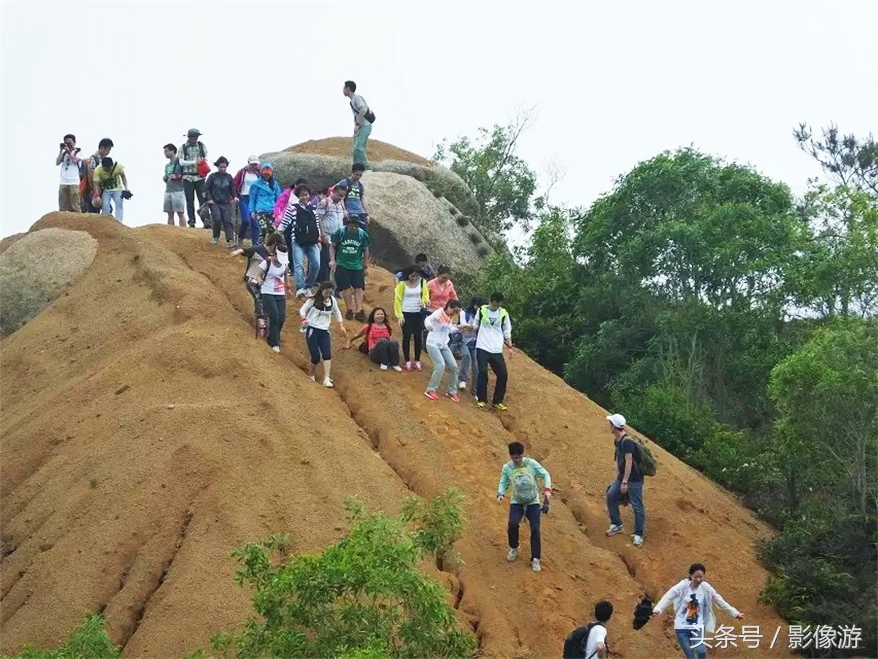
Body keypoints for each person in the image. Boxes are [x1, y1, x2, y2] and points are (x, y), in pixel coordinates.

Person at [653, 563, 744, 659]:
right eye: (696, 577)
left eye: (701, 577)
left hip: (697, 626)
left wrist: (735, 613)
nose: (698, 580)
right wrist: (658, 609)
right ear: (691, 575)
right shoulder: (682, 587)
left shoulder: (706, 588)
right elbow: (668, 597)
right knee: (690, 656)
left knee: (701, 652)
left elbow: (719, 600)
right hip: (681, 627)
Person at [497, 441, 552, 573]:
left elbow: (545, 474)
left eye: (519, 457)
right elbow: (504, 481)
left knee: (535, 528)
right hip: (517, 501)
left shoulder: (531, 464)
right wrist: (501, 493)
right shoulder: (508, 467)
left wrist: (547, 489)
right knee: (512, 524)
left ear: (523, 454)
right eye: (514, 457)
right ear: (510, 456)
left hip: (533, 501)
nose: (517, 460)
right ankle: (514, 547)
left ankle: (535, 558)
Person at [230, 233, 286, 336]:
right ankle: (260, 319)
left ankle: (265, 321)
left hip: (264, 283)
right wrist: (235, 252)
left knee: (264, 299)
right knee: (257, 294)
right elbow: (245, 250)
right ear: (273, 243)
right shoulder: (258, 249)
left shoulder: (275, 257)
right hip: (252, 277)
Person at [604, 413, 646, 548]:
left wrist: (624, 483)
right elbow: (618, 459)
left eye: (610, 423)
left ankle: (638, 534)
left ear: (614, 426)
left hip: (633, 480)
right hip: (622, 477)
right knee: (611, 495)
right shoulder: (617, 440)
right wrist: (619, 478)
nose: (608, 425)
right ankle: (616, 524)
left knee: (637, 506)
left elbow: (628, 463)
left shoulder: (627, 442)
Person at [300, 281, 348, 387]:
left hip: (324, 330)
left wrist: (341, 325)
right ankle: (311, 374)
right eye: (326, 292)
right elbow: (303, 309)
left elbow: (337, 312)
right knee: (315, 355)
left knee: (327, 354)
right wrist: (304, 319)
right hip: (312, 329)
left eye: (330, 293)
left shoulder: (332, 300)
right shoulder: (313, 300)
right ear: (322, 290)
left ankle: (326, 378)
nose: (328, 295)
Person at [278, 184, 321, 298]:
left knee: (316, 264)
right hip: (297, 241)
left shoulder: (313, 209)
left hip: (312, 241)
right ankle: (300, 289)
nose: (304, 197)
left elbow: (316, 225)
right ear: (298, 196)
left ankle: (308, 287)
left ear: (309, 195)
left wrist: (319, 237)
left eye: (306, 194)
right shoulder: (293, 208)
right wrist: (276, 234)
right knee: (298, 265)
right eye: (301, 195)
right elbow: (284, 223)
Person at [472, 292, 513, 411]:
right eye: (494, 305)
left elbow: (507, 331)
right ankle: (481, 399)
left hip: (496, 348)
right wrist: (468, 328)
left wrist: (510, 346)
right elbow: (475, 325)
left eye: (498, 305)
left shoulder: (503, 314)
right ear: (490, 301)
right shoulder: (481, 310)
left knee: (503, 374)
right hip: (482, 345)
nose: (495, 307)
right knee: (483, 372)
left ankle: (497, 401)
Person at [330, 215, 370, 322]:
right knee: (346, 287)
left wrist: (365, 266)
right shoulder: (341, 232)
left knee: (359, 287)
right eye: (351, 225)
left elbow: (366, 250)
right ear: (348, 224)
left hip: (357, 265)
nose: (353, 227)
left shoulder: (362, 234)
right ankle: (349, 309)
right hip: (343, 264)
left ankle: (359, 310)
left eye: (355, 225)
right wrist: (332, 260)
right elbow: (333, 246)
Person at [423, 300, 462, 402]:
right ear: (449, 306)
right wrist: (428, 326)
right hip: (432, 343)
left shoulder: (449, 318)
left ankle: (452, 391)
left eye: (457, 312)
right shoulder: (439, 313)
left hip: (443, 344)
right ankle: (431, 389)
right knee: (440, 365)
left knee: (454, 366)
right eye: (454, 310)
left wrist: (460, 328)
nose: (455, 313)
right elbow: (428, 319)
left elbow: (450, 330)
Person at [393, 267, 429, 371]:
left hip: (418, 313)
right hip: (406, 313)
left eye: (417, 275)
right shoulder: (402, 284)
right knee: (407, 336)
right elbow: (397, 301)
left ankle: (417, 360)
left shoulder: (422, 282)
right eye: (412, 276)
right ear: (408, 275)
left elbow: (426, 295)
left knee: (418, 337)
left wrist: (424, 301)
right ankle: (407, 360)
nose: (414, 278)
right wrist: (399, 316)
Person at [258, 243, 291, 352]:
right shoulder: (266, 262)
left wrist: (288, 287)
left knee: (281, 317)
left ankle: (273, 335)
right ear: (275, 254)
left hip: (280, 293)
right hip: (267, 292)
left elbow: (285, 275)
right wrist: (259, 280)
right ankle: (274, 342)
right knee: (275, 316)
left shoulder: (285, 264)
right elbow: (258, 274)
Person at [346, 307, 402, 371]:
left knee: (394, 341)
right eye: (377, 314)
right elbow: (358, 335)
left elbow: (389, 340)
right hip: (374, 353)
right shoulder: (369, 326)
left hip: (386, 352)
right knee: (382, 341)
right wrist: (350, 341)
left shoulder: (387, 327)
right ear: (373, 316)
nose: (380, 316)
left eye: (381, 314)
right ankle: (384, 363)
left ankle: (395, 364)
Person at [315, 186, 348, 283]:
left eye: (342, 196)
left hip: (338, 237)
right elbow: (319, 219)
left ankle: (333, 282)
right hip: (327, 235)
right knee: (326, 259)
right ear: (333, 192)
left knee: (336, 260)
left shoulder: (341, 205)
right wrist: (322, 234)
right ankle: (323, 281)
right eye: (338, 195)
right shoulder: (324, 203)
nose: (340, 198)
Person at [204, 156, 238, 247]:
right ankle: (215, 237)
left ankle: (230, 240)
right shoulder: (212, 176)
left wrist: (234, 197)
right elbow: (206, 188)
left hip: (226, 202)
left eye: (224, 167)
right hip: (214, 202)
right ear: (217, 166)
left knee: (228, 220)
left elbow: (232, 188)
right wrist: (209, 199)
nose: (222, 169)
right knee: (217, 218)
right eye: (221, 167)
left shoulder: (229, 177)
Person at [180, 128, 209, 228]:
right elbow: (181, 162)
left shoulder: (201, 145)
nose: (195, 138)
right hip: (188, 176)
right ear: (189, 137)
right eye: (194, 136)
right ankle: (191, 220)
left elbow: (206, 157)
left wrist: (202, 162)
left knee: (202, 199)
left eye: (197, 136)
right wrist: (194, 162)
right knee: (190, 200)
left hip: (200, 177)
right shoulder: (183, 147)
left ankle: (205, 220)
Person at [248, 162, 282, 245]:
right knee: (263, 229)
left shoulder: (275, 184)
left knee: (272, 230)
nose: (266, 175)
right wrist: (252, 211)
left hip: (271, 210)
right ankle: (258, 248)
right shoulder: (255, 184)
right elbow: (252, 198)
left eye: (268, 174)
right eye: (265, 174)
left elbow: (279, 199)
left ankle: (272, 249)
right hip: (260, 210)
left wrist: (279, 211)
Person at [343, 80, 372, 168]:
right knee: (355, 150)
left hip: (365, 125)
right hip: (360, 127)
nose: (342, 90)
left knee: (358, 148)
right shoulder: (352, 101)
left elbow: (363, 109)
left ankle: (366, 169)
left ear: (348, 89)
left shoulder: (357, 98)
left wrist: (358, 123)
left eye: (344, 88)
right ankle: (357, 169)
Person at [457, 296, 483, 394]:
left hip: (475, 342)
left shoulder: (482, 316)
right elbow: (463, 325)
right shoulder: (464, 313)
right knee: (466, 356)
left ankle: (475, 389)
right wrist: (473, 327)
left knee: (476, 365)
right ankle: (462, 380)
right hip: (464, 339)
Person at [233, 156, 261, 244]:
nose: (254, 166)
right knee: (246, 220)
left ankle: (255, 244)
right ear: (248, 163)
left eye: (255, 164)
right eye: (253, 164)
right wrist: (234, 195)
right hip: (243, 198)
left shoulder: (258, 173)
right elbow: (234, 183)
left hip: (254, 200)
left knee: (255, 222)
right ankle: (240, 237)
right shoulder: (242, 172)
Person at [92, 157, 129, 222]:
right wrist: (97, 195)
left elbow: (123, 177)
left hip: (117, 189)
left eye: (108, 169)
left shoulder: (118, 167)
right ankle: (106, 222)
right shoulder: (98, 170)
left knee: (119, 203)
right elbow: (96, 183)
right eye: (105, 169)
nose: (106, 171)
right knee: (105, 205)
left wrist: (126, 189)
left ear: (111, 166)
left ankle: (119, 222)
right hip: (106, 190)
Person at [83, 138, 113, 213]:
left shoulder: (104, 160)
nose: (109, 152)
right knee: (94, 210)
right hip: (94, 189)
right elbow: (91, 174)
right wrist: (95, 189)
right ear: (102, 148)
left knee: (107, 209)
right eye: (108, 149)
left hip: (102, 189)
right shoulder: (94, 158)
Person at [336, 164, 371, 230]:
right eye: (356, 174)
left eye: (360, 175)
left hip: (360, 212)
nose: (358, 177)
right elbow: (340, 198)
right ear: (352, 172)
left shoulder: (360, 185)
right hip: (349, 211)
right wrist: (344, 210)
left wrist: (367, 213)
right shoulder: (345, 182)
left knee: (363, 231)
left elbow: (362, 199)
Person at [162, 144, 187, 226]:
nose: (165, 153)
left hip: (178, 190)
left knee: (180, 213)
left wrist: (177, 176)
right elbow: (167, 178)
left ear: (172, 151)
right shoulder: (167, 165)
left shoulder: (180, 162)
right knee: (169, 213)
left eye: (166, 151)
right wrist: (165, 178)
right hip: (168, 190)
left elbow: (186, 175)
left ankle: (183, 231)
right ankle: (170, 232)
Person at [56, 134, 82, 212]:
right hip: (63, 181)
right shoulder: (64, 153)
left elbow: (74, 160)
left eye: (70, 142)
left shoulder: (79, 152)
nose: (68, 144)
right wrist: (61, 150)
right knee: (62, 205)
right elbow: (57, 163)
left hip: (74, 182)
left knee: (75, 206)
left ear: (74, 142)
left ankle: (78, 222)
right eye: (66, 142)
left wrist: (69, 150)